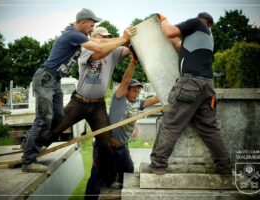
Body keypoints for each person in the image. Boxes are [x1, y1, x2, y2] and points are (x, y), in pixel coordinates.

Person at [21, 8, 136, 173]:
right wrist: (123, 38)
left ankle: (29, 144)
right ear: (82, 22)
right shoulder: (74, 35)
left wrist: (130, 42)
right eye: (91, 24)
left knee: (58, 116)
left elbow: (105, 45)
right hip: (51, 81)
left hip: (59, 82)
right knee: (44, 118)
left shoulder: (86, 39)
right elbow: (99, 49)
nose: (92, 27)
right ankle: (28, 159)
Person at [37, 26, 132, 199]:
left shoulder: (114, 52)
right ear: (94, 38)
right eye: (102, 37)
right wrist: (120, 40)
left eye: (108, 37)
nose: (106, 39)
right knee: (57, 128)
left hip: (98, 106)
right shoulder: (86, 50)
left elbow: (128, 47)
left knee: (105, 143)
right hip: (79, 102)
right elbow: (99, 53)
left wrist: (132, 40)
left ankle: (110, 179)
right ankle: (33, 152)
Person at [149, 12, 232, 175]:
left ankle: (158, 165)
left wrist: (163, 19)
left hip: (190, 83)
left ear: (201, 20)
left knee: (171, 123)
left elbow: (170, 32)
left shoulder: (196, 23)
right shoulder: (208, 37)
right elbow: (179, 45)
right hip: (207, 87)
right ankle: (225, 167)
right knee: (210, 129)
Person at [108, 54, 159, 186]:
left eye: (138, 91)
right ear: (126, 91)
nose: (136, 94)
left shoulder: (138, 103)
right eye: (134, 91)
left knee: (128, 170)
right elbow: (126, 80)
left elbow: (155, 99)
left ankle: (119, 188)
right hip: (108, 145)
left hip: (123, 146)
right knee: (104, 176)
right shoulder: (119, 99)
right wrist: (133, 61)